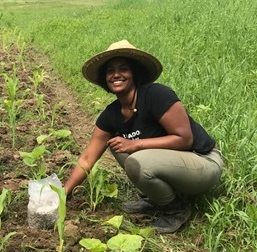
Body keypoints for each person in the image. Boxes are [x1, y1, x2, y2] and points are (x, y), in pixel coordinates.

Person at [64, 40, 223, 234]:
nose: (116, 74)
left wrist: (136, 144)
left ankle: (176, 210)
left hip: (202, 162)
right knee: (117, 144)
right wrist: (64, 192)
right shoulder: (111, 114)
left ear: (135, 73)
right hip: (173, 165)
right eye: (110, 70)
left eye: (124, 69)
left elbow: (184, 139)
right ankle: (154, 197)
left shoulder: (156, 94)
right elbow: (87, 158)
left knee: (136, 159)